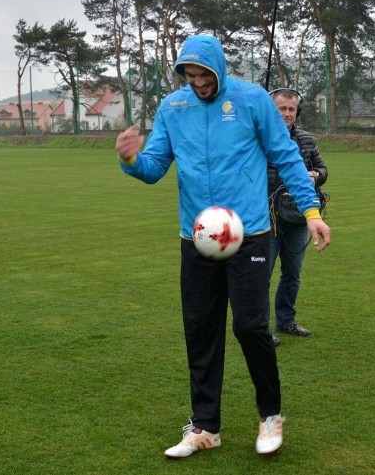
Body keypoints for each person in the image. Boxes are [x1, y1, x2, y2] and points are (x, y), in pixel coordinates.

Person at [115, 35, 331, 459]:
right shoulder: (173, 108)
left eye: (204, 74)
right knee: (200, 329)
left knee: (251, 327)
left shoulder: (252, 100)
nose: (197, 83)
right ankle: (204, 427)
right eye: (189, 75)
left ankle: (270, 415)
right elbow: (155, 166)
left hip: (248, 233)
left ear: (218, 69)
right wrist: (130, 161)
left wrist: (311, 212)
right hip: (195, 238)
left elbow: (287, 156)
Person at [267, 88, 328, 345]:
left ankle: (285, 321)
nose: (287, 114)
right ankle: (259, 327)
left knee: (293, 274)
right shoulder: (260, 138)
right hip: (267, 218)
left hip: (299, 216)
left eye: (292, 109)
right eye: (282, 108)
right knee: (262, 276)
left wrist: (315, 175)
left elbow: (322, 168)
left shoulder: (306, 139)